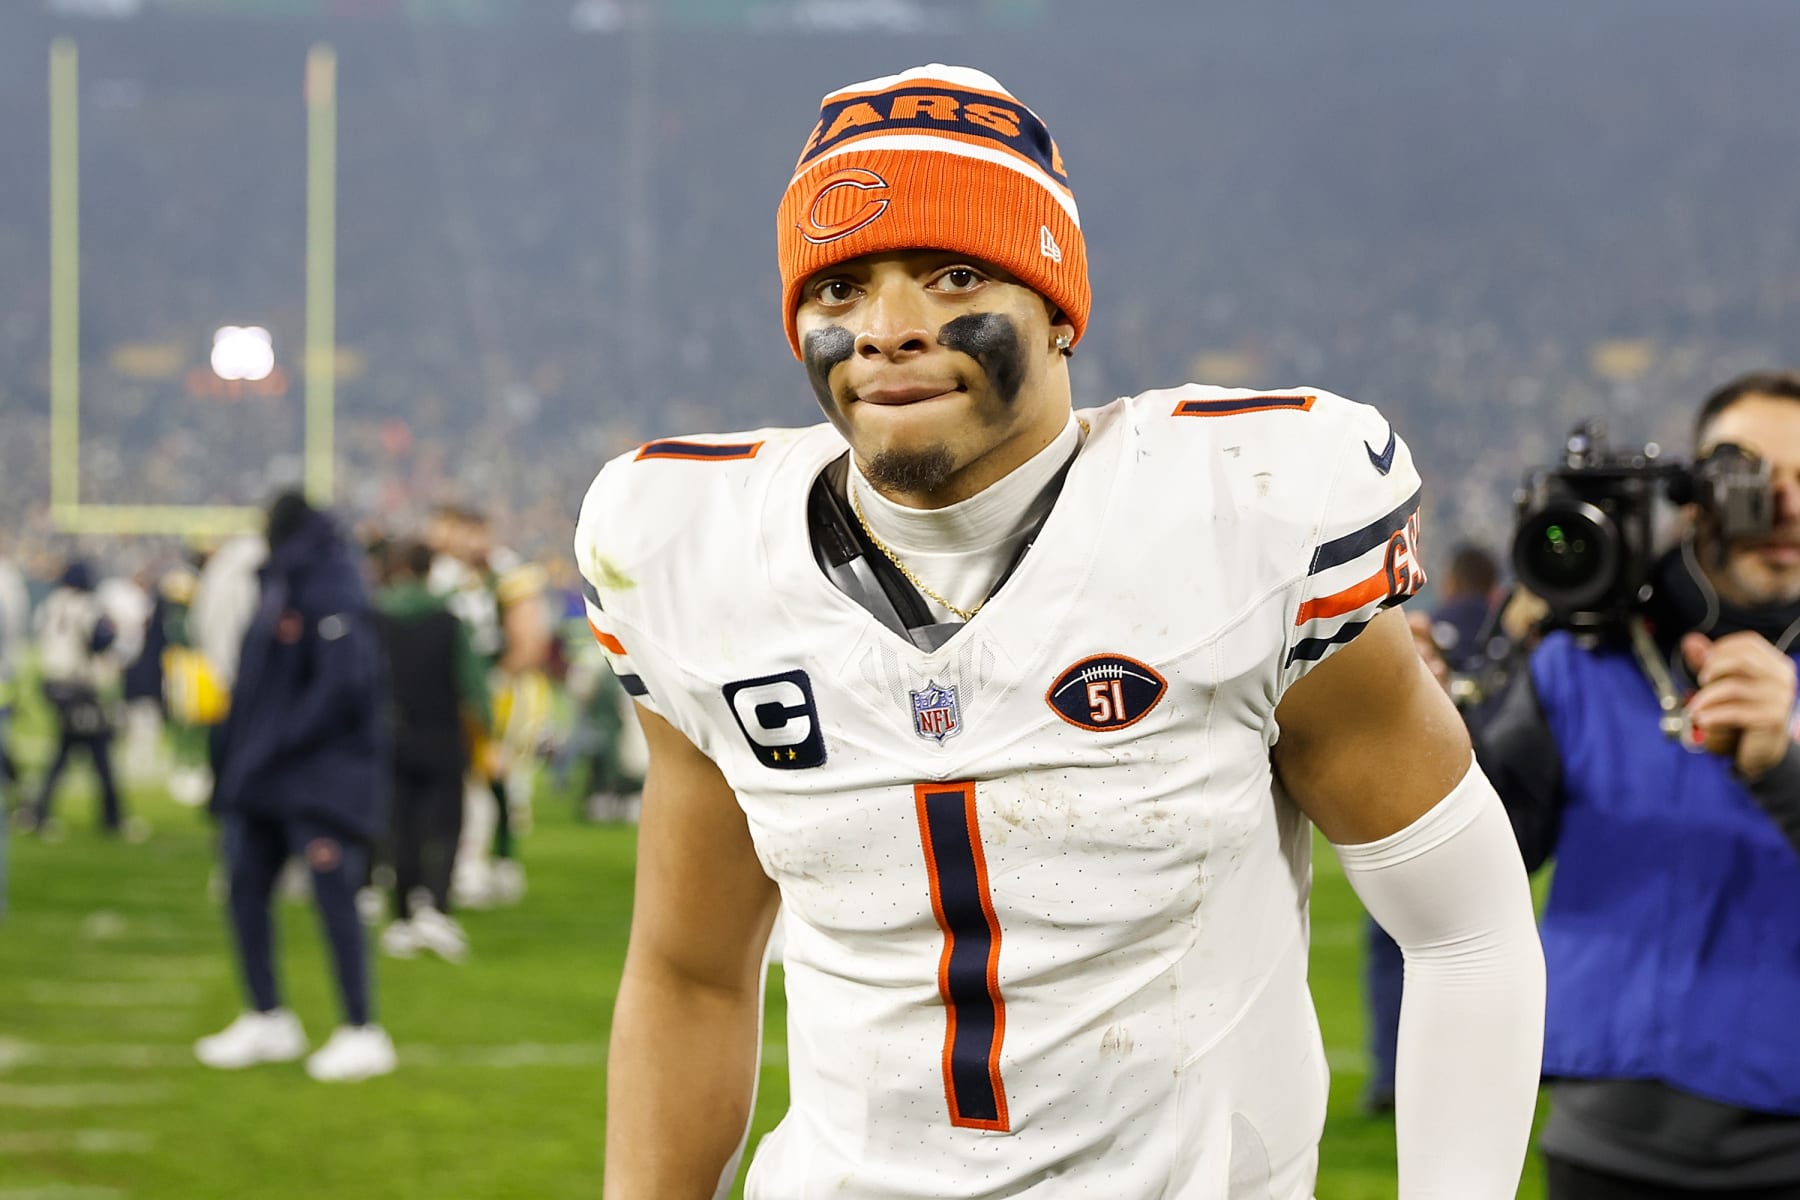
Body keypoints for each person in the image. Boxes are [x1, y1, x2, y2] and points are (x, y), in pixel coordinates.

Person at [577, 64, 1545, 1199]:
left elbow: (1465, 930)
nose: (888, 330)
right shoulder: (699, 554)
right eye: (840, 288)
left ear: (1055, 304)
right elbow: (691, 974)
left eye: (951, 275)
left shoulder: (1242, 517)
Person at [1476, 370, 1800, 1198]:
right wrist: (1423, 724)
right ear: (1694, 496)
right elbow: (1477, 867)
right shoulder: (1581, 664)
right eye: (1755, 479)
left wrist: (1782, 764)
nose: (1786, 508)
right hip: (1605, 1140)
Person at [195, 491, 396, 1082]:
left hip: (321, 774)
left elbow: (345, 684)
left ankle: (362, 1028)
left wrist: (277, 741)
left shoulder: (331, 581)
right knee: (244, 887)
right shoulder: (282, 579)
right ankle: (267, 1015)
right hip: (271, 772)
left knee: (334, 895)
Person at [372, 538, 490, 963]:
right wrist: (487, 733)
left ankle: (402, 916)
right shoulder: (448, 620)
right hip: (442, 737)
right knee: (444, 827)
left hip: (393, 737)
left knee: (398, 826)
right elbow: (472, 684)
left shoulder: (378, 617)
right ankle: (436, 909)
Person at [23, 560, 128, 838]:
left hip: (53, 684)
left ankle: (38, 811)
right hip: (79, 686)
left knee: (66, 750)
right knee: (97, 751)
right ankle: (111, 817)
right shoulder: (87, 605)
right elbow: (101, 639)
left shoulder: (51, 603)